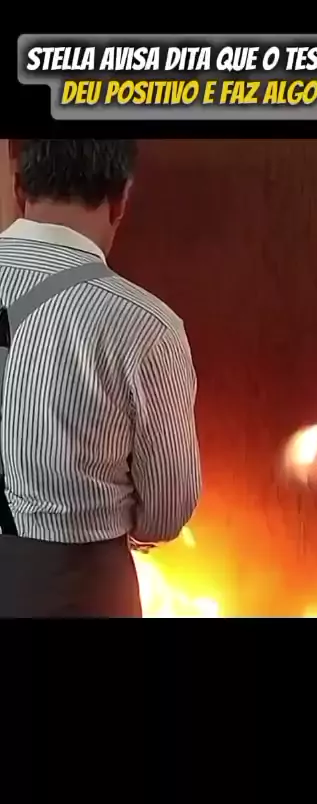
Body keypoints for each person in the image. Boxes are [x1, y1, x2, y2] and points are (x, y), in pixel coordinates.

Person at [0, 139, 201, 618]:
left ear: (20, 185)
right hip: (75, 589)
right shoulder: (145, 326)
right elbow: (167, 511)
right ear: (121, 198)